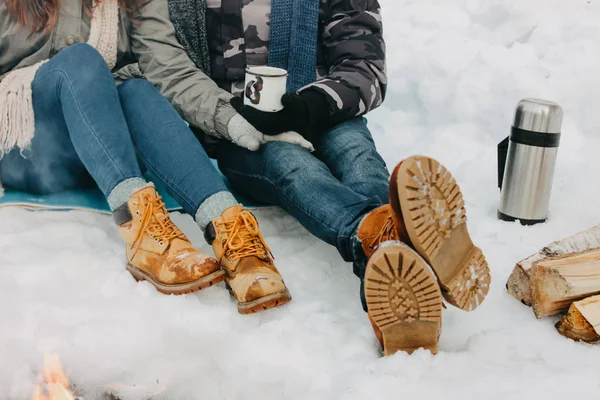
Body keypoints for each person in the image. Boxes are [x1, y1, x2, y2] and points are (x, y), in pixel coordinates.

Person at [166, 0, 493, 355]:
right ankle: (395, 242)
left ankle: (384, 255)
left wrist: (311, 107)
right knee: (290, 164)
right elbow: (168, 66)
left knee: (358, 156)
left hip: (324, 110)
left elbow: (365, 65)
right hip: (240, 130)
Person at [0, 0, 325, 314]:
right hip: (27, 148)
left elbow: (170, 69)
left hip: (101, 153)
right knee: (81, 60)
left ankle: (232, 234)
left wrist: (238, 121)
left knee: (137, 89)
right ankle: (139, 230)